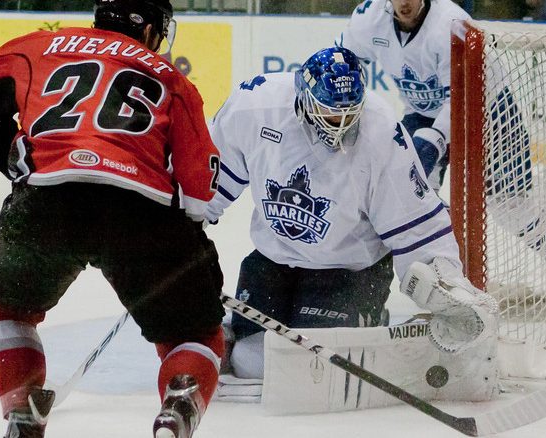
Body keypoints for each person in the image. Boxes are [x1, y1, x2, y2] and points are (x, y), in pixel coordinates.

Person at [0, 1, 224, 437]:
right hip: (140, 212)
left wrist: (10, 158)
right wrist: (186, 248)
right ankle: (178, 404)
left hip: (47, 203)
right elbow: (195, 187)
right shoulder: (172, 79)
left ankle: (20, 406)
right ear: (149, 28)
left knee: (7, 308)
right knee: (195, 331)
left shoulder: (36, 47)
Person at [206, 46, 497, 381]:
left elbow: (418, 226)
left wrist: (445, 284)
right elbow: (207, 184)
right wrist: (178, 233)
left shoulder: (382, 132)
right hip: (273, 262)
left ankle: (371, 322)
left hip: (349, 272)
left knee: (306, 367)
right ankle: (230, 335)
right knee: (247, 358)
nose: (342, 124)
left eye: (350, 112)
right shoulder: (255, 105)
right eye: (330, 113)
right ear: (303, 99)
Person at [336, 0, 546, 289]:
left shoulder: (451, 22)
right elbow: (345, 61)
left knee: (510, 204)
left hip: (489, 108)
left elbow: (463, 94)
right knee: (410, 200)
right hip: (423, 114)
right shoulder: (368, 18)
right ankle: (448, 278)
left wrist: (435, 139)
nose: (404, 2)